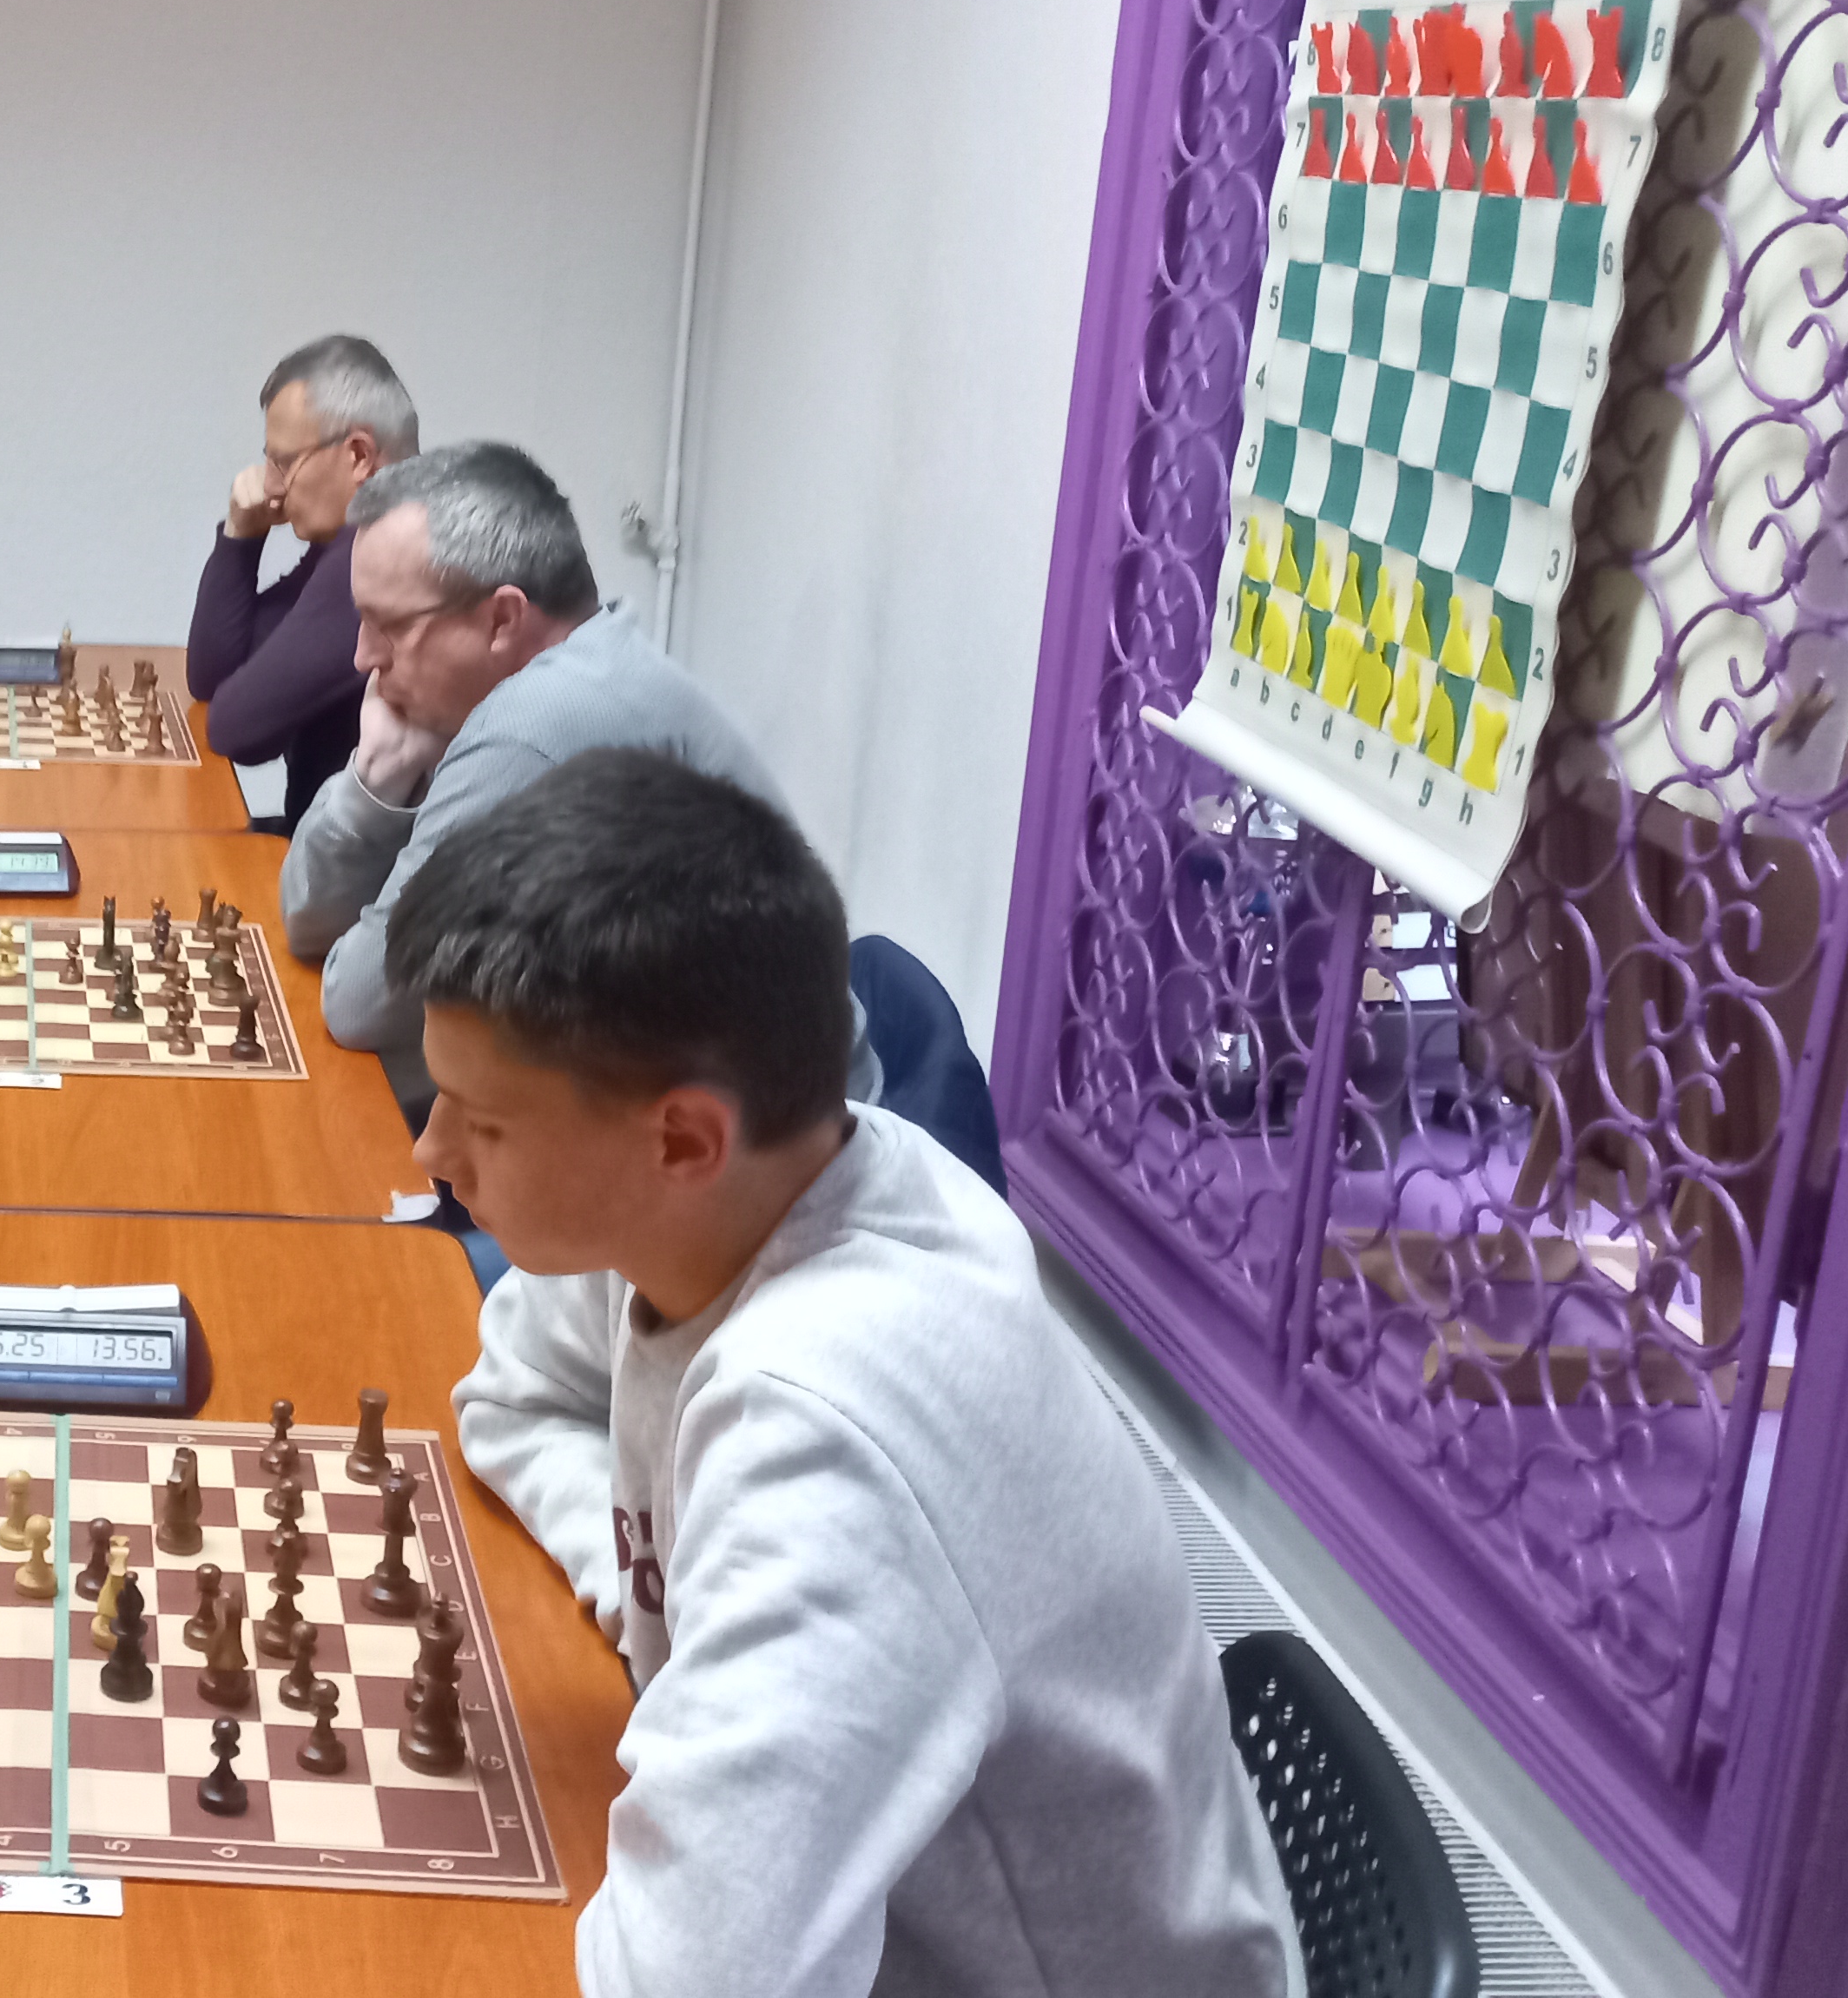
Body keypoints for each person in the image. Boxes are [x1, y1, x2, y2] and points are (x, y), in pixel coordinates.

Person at [419, 749, 1299, 1998]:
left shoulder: (830, 1432)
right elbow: (513, 1393)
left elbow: (692, 1985)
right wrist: (664, 1598)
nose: (431, 1150)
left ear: (684, 1137)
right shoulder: (742, 1192)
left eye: (482, 1119)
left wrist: (697, 1624)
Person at [281, 439, 868, 1120]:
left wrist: (374, 788)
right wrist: (376, 782)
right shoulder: (588, 662)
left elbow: (359, 1004)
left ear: (502, 619)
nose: (363, 658)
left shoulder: (539, 726)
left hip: (768, 1158)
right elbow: (310, 926)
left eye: (388, 625)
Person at [191, 334, 410, 830]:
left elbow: (238, 730)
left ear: (358, 455)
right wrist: (241, 534)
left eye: (285, 463)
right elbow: (212, 676)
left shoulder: (381, 553)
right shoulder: (347, 543)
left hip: (368, 866)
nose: (270, 486)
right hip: (338, 845)